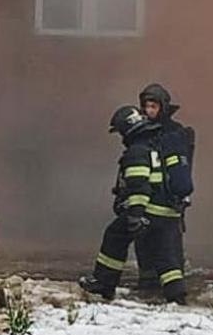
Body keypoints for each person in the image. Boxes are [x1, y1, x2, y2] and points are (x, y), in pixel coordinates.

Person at [79, 104, 192, 303]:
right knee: (165, 255)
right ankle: (177, 295)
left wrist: (136, 215)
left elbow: (139, 185)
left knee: (115, 235)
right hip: (169, 212)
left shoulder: (137, 151)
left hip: (149, 210)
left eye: (121, 131)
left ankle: (104, 283)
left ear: (127, 129)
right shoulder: (157, 145)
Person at [134, 83, 196, 294]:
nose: (149, 111)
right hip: (145, 203)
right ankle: (147, 291)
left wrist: (181, 197)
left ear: (163, 107)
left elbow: (181, 170)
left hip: (167, 204)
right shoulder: (140, 132)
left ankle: (175, 295)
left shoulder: (175, 133)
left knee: (170, 254)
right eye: (146, 106)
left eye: (153, 106)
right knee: (144, 249)